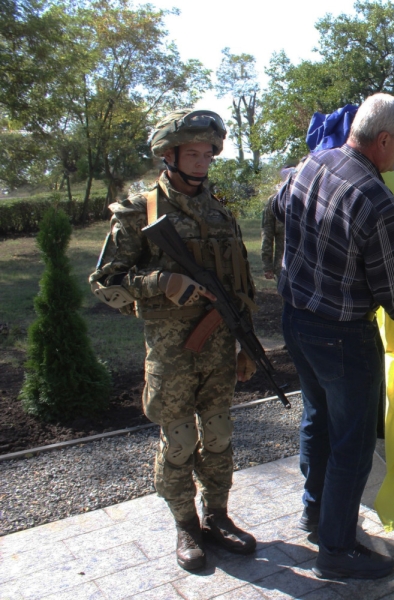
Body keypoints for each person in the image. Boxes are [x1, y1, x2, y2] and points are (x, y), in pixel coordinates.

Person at [272, 93, 394, 580]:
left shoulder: (312, 164)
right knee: (352, 443)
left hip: (296, 320)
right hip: (342, 338)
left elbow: (275, 209)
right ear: (384, 139)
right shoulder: (376, 200)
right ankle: (337, 549)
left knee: (319, 420)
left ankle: (315, 516)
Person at [89, 109, 258, 571]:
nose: (202, 162)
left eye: (208, 154)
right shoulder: (140, 211)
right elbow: (106, 282)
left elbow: (239, 283)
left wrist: (245, 343)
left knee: (220, 435)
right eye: (192, 153)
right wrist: (160, 282)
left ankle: (218, 515)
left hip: (220, 345)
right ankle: (186, 524)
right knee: (180, 439)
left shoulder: (220, 210)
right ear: (169, 155)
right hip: (171, 349)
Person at [260, 195, 285, 281]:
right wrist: (267, 266)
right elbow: (267, 234)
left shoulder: (310, 197)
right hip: (283, 267)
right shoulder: (275, 200)